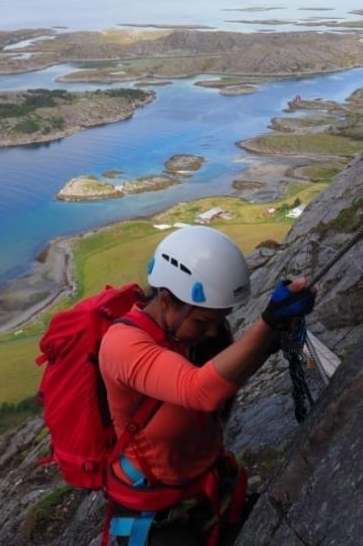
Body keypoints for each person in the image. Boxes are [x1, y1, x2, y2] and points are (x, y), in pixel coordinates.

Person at [99, 225, 316, 546]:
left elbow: (223, 380)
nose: (213, 332)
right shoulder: (123, 345)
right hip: (157, 512)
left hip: (209, 487)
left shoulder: (188, 335)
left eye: (218, 320)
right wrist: (267, 322)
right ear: (166, 300)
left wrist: (271, 338)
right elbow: (199, 391)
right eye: (204, 321)